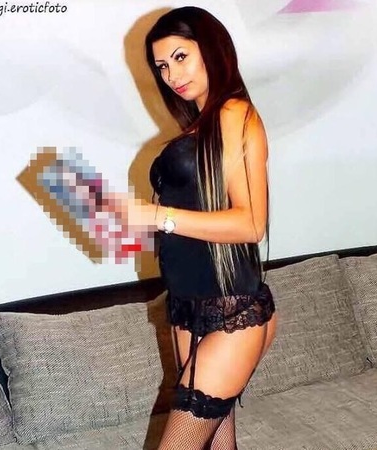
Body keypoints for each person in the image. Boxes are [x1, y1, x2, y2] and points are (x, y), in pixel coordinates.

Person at [118, 6, 277, 449]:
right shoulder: (198, 127)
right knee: (217, 445)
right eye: (162, 66)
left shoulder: (235, 112)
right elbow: (188, 223)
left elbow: (251, 223)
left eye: (180, 57)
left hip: (232, 311)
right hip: (189, 307)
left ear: (210, 48)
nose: (171, 75)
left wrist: (157, 216)